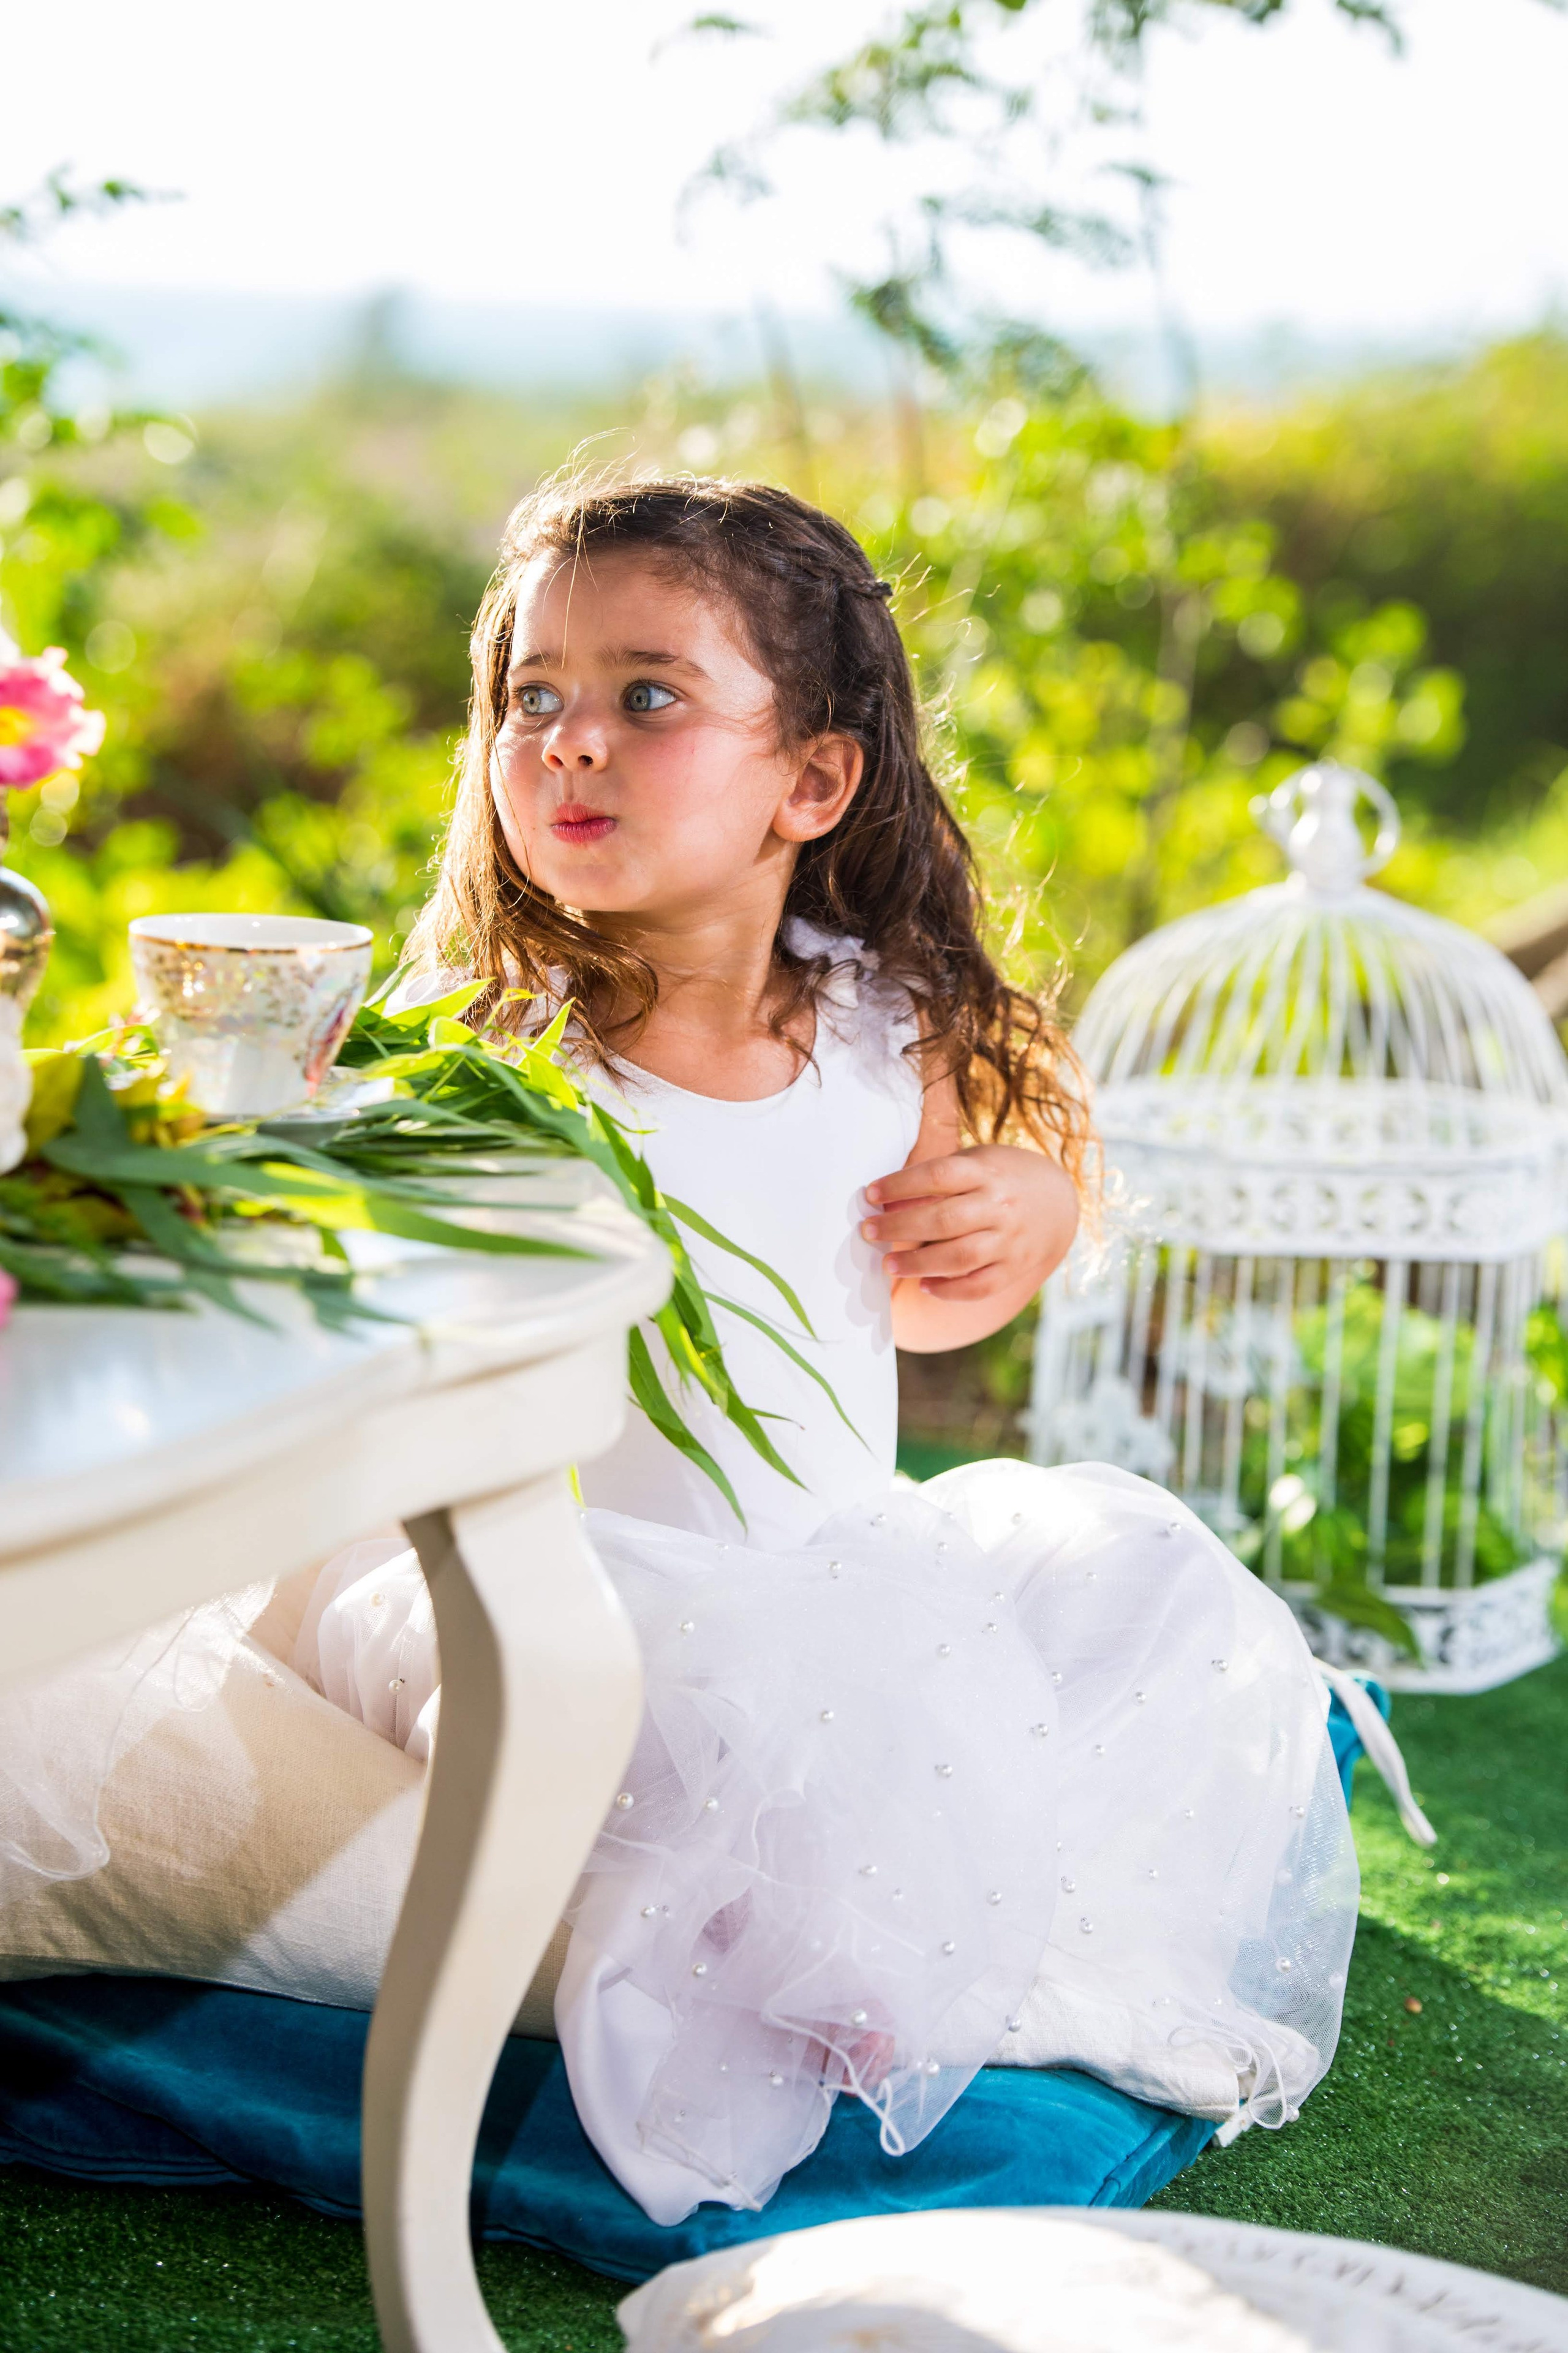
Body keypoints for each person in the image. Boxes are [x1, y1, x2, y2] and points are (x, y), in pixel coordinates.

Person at [298, 477, 1357, 2226]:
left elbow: (921, 1300)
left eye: (647, 695)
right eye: (530, 698)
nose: (570, 742)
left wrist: (1014, 1216)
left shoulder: (881, 1019)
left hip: (842, 1561)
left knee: (1150, 1590)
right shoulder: (490, 1052)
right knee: (712, 1702)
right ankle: (809, 1951)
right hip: (577, 1578)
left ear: (812, 780)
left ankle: (897, 1918)